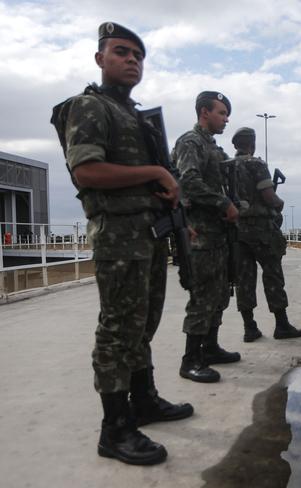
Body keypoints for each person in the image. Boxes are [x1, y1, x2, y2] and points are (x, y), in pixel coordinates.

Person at [50, 22, 193, 466]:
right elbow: (87, 172)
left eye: (138, 55)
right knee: (117, 329)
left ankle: (143, 400)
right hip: (118, 235)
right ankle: (114, 429)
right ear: (100, 60)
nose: (132, 60)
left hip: (148, 232)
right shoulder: (90, 106)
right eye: (121, 52)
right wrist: (156, 175)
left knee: (143, 322)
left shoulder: (134, 115)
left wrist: (173, 210)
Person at [173, 91, 241, 383]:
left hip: (218, 233)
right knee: (202, 297)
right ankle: (190, 360)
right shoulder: (190, 142)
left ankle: (210, 348)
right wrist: (222, 203)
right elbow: (188, 182)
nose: (226, 119)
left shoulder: (213, 147)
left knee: (219, 294)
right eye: (222, 113)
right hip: (199, 233)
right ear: (204, 112)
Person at [230, 127, 301, 341]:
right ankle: (281, 325)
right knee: (272, 274)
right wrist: (279, 205)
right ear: (252, 144)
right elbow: (270, 197)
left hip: (237, 230)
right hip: (262, 230)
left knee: (244, 279)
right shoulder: (256, 164)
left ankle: (249, 327)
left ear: (236, 145)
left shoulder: (226, 167)